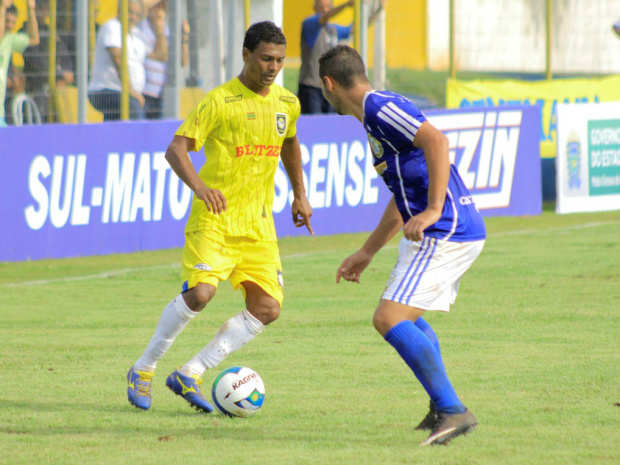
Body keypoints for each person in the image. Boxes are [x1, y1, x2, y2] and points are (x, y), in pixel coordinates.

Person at [126, 21, 313, 412]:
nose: (273, 66)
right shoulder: (218, 102)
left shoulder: (286, 103)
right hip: (214, 219)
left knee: (268, 308)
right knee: (200, 293)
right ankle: (144, 369)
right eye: (265, 58)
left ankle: (190, 372)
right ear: (246, 55)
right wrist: (200, 187)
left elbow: (290, 143)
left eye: (279, 60)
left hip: (258, 226)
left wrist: (299, 194)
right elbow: (176, 149)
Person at [318, 45, 486, 446]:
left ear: (329, 84)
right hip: (444, 228)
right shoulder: (374, 119)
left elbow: (438, 142)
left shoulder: (378, 107)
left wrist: (431, 210)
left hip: (445, 228)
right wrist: (367, 251)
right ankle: (440, 406)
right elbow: (401, 195)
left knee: (388, 318)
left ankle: (451, 408)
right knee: (403, 317)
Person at [298, 0, 385, 114]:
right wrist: (347, 5)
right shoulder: (310, 24)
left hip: (330, 89)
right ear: (315, 8)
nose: (324, 10)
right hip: (311, 87)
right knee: (315, 126)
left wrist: (378, 11)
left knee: (331, 125)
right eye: (321, 7)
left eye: (327, 7)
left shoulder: (333, 30)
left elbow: (356, 28)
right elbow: (325, 16)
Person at [88, 0, 151, 121]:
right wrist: (130, 91)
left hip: (126, 93)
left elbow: (160, 55)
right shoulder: (112, 26)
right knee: (134, 111)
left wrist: (159, 31)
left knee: (116, 125)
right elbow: (118, 60)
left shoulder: (136, 33)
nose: (134, 17)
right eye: (130, 12)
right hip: (106, 90)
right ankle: (141, 140)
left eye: (138, 15)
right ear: (119, 10)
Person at [21, 0, 74, 123]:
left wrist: (65, 73)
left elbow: (65, 54)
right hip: (36, 87)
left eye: (46, 6)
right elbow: (35, 60)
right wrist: (59, 74)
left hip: (55, 88)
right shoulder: (25, 31)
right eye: (41, 6)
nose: (44, 10)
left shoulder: (50, 30)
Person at [138, 0, 189, 119]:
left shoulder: (168, 28)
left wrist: (184, 38)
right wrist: (159, 30)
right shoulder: (142, 26)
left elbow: (183, 61)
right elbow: (163, 55)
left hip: (161, 94)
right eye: (157, 5)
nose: (160, 8)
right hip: (144, 92)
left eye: (163, 5)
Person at [0, 0, 39, 127]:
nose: (9, 26)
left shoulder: (9, 40)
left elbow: (34, 39)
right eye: (7, 21)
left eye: (13, 22)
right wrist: (2, 7)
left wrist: (31, 9)